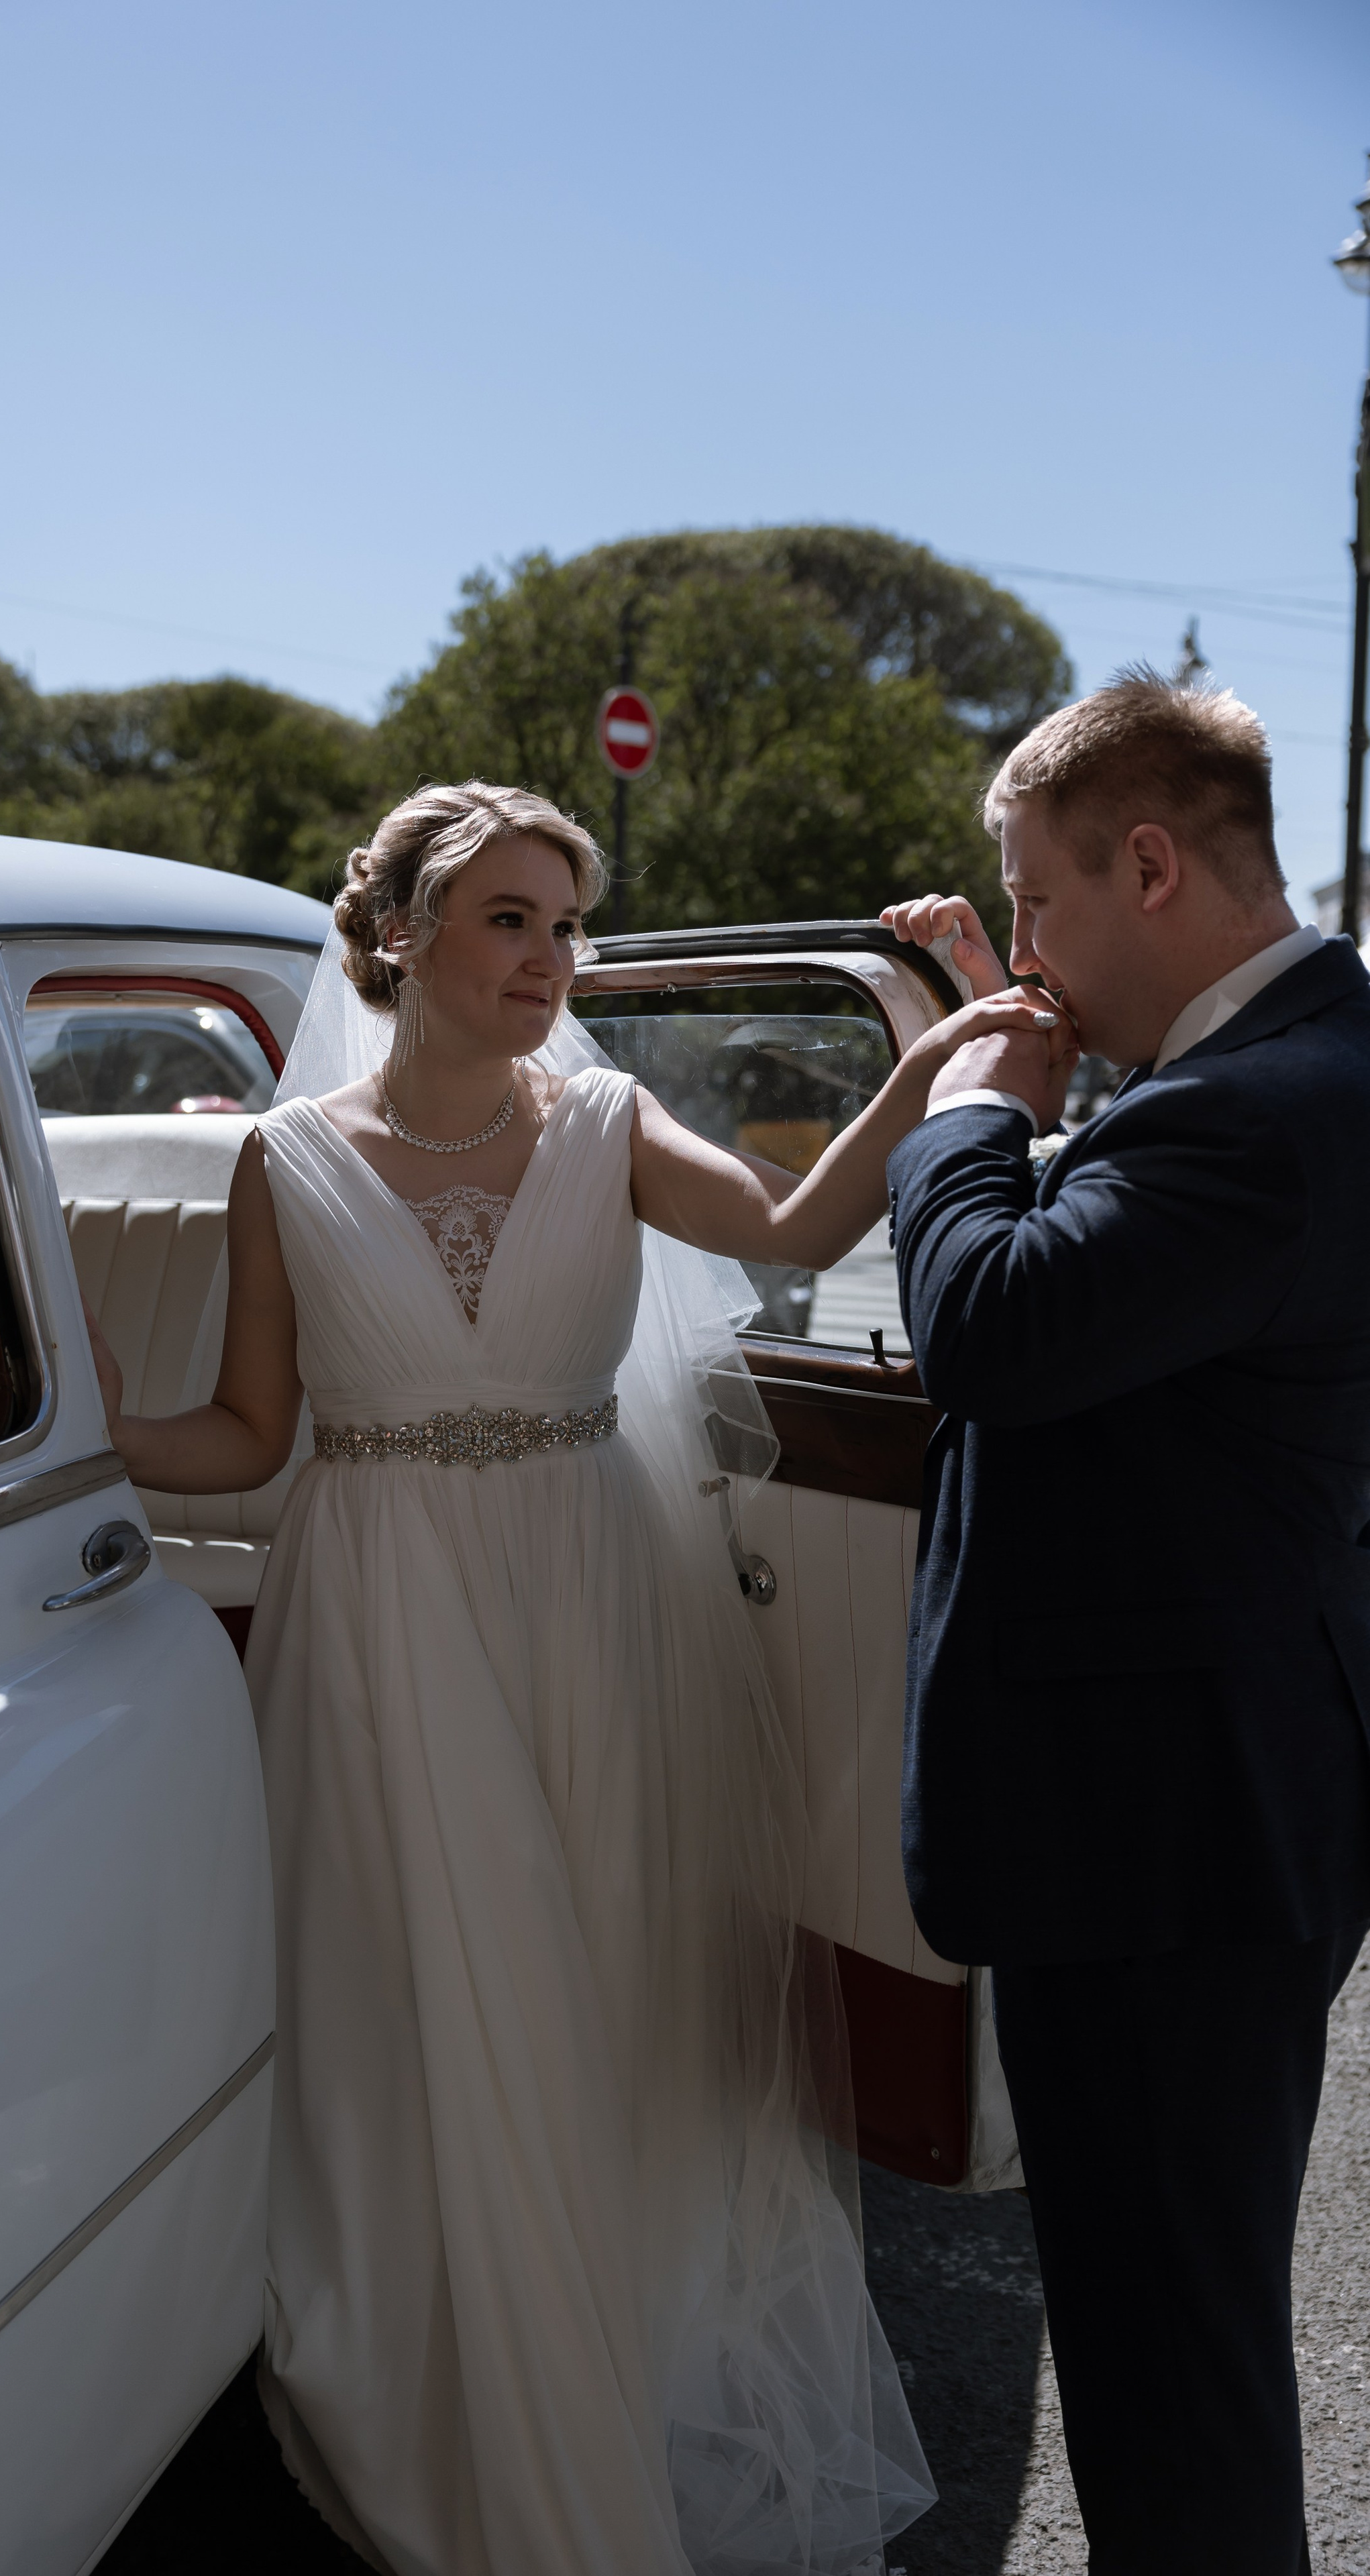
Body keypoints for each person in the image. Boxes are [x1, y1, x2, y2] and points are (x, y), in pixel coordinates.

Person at [88, 780, 1057, 2576]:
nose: (549, 959)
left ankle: (603, 2355)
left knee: (595, 1989)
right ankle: (457, 2375)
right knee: (414, 2003)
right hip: (380, 1621)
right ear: (400, 938)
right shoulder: (281, 1163)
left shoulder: (609, 1120)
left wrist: (933, 1069)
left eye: (565, 924)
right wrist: (85, 1437)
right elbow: (244, 1436)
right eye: (510, 919)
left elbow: (790, 1230)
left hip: (591, 1600)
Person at [882, 670, 1370, 2576]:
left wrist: (968, 1118)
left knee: (1170, 2383)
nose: (1025, 952)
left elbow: (996, 1330)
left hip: (1163, 1841)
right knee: (1176, 2348)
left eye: (1036, 901)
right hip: (1218, 1800)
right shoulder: (1296, 1063)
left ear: (1149, 866)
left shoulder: (1258, 1112)